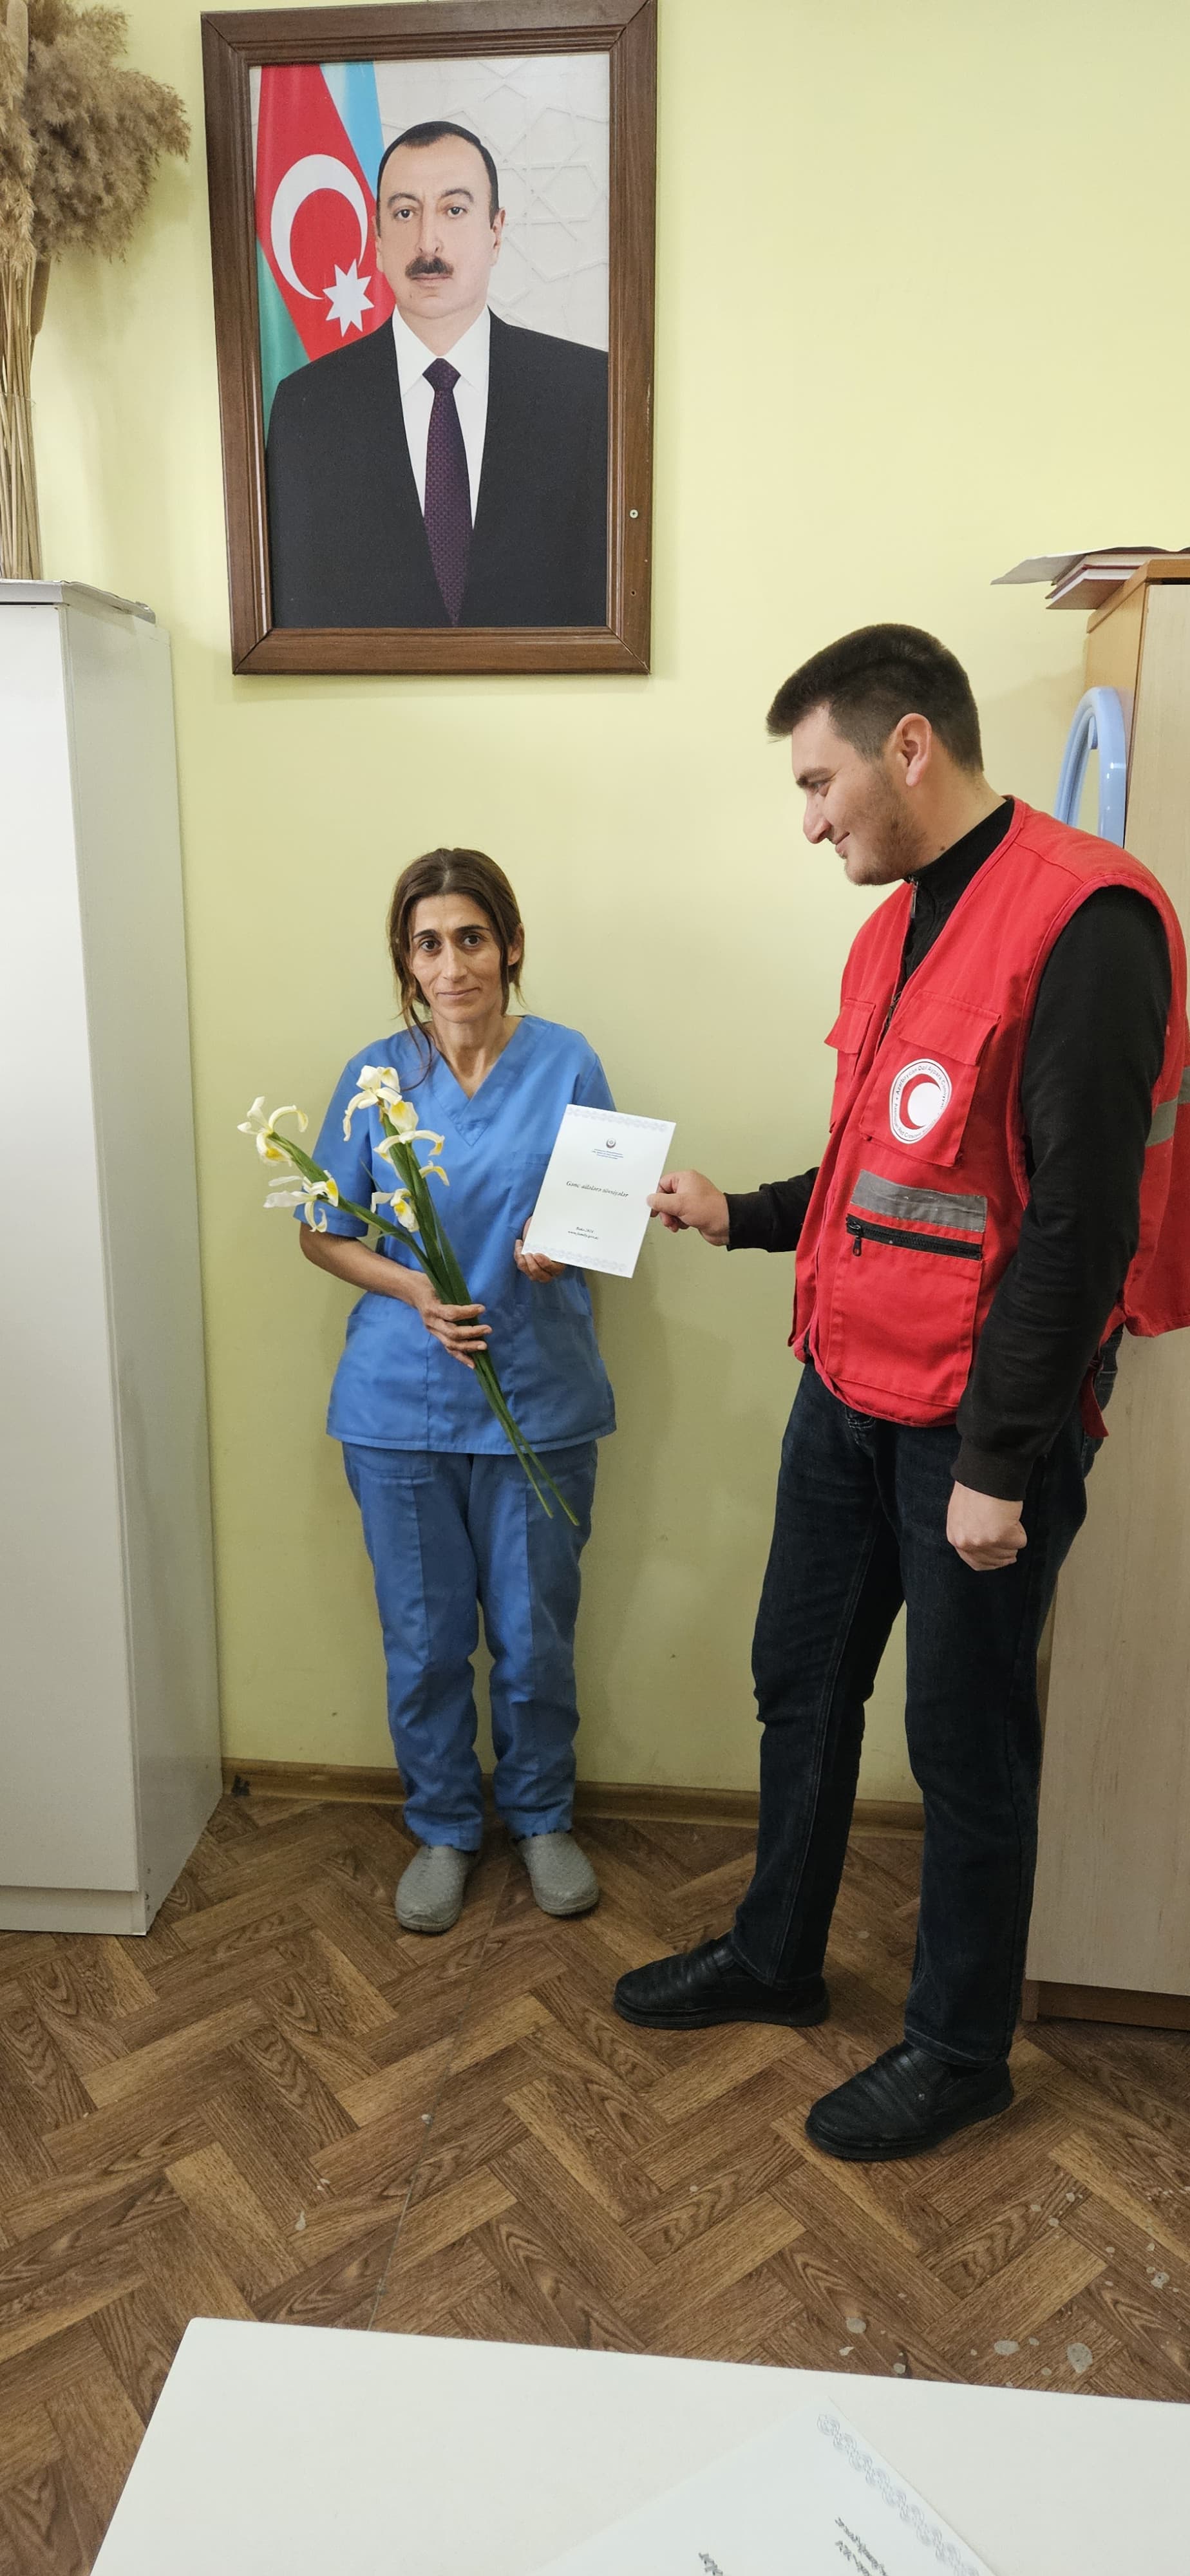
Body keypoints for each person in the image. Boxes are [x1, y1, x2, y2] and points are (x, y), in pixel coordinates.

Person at [614, 625, 1190, 2161]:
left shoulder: (1087, 921)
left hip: (976, 1430)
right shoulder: (892, 930)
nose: (809, 821)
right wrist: (742, 1212)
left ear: (911, 746)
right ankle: (776, 1955)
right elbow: (887, 1170)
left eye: (819, 783)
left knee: (964, 1739)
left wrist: (999, 1464)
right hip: (850, 1388)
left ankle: (958, 2049)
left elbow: (1080, 1228)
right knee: (798, 1675)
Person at [300, 846, 615, 1933]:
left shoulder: (568, 1064)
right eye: (428, 944)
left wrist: (558, 1249)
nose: (452, 966)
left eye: (471, 938)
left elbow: (603, 1211)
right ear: (406, 959)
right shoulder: (374, 1078)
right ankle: (441, 1826)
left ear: (510, 946)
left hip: (536, 1396)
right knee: (426, 1639)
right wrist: (414, 1290)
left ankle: (541, 1817)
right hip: (400, 1407)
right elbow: (321, 1229)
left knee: (534, 1637)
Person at [267, 120, 608, 630]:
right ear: (377, 239)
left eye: (454, 210)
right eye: (405, 213)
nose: (427, 243)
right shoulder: (307, 407)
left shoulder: (591, 393)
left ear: (496, 232)